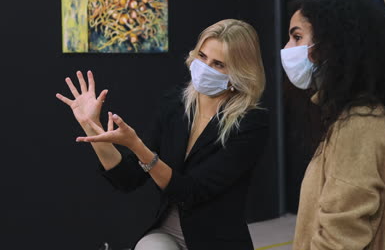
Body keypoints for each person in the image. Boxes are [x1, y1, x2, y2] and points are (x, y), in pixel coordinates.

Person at [56, 19, 268, 250]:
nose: (205, 67)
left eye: (218, 64)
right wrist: (91, 126)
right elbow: (127, 178)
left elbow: (192, 192)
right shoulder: (175, 105)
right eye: (202, 56)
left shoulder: (251, 123)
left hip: (215, 241)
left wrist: (138, 147)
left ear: (239, 72)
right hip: (166, 234)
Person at [281, 0, 385, 249]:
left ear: (330, 44)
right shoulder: (357, 114)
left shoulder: (358, 124)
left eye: (297, 37)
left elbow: (339, 238)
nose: (287, 48)